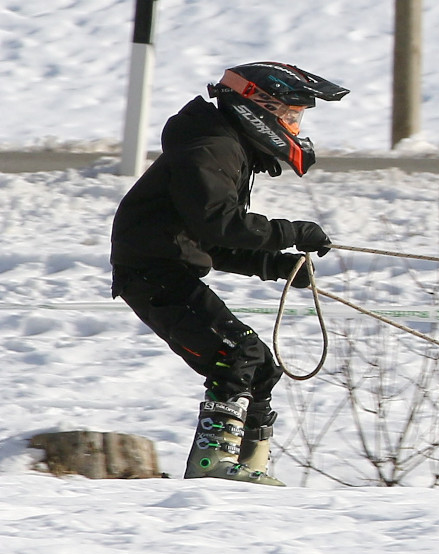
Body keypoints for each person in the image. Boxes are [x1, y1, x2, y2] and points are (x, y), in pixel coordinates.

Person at [110, 61, 348, 484]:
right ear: (257, 106)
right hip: (151, 271)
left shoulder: (226, 146)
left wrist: (274, 265)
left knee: (260, 366)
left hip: (167, 267)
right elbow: (217, 223)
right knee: (235, 353)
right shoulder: (211, 146)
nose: (295, 126)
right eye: (291, 115)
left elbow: (214, 242)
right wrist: (291, 233)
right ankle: (212, 466)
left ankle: (249, 466)